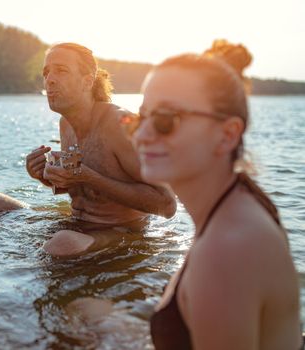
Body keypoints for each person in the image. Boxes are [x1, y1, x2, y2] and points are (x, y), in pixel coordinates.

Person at [126, 39, 302, 349]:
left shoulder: (227, 249)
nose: (142, 134)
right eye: (143, 117)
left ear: (228, 135)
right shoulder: (240, 200)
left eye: (166, 119)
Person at [0, 43, 176, 257]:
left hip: (122, 231)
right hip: (77, 223)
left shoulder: (119, 125)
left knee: (62, 243)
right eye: (46, 72)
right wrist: (45, 176)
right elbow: (81, 188)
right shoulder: (65, 124)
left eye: (61, 71)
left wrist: (88, 178)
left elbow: (167, 205)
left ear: (87, 81)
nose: (49, 79)